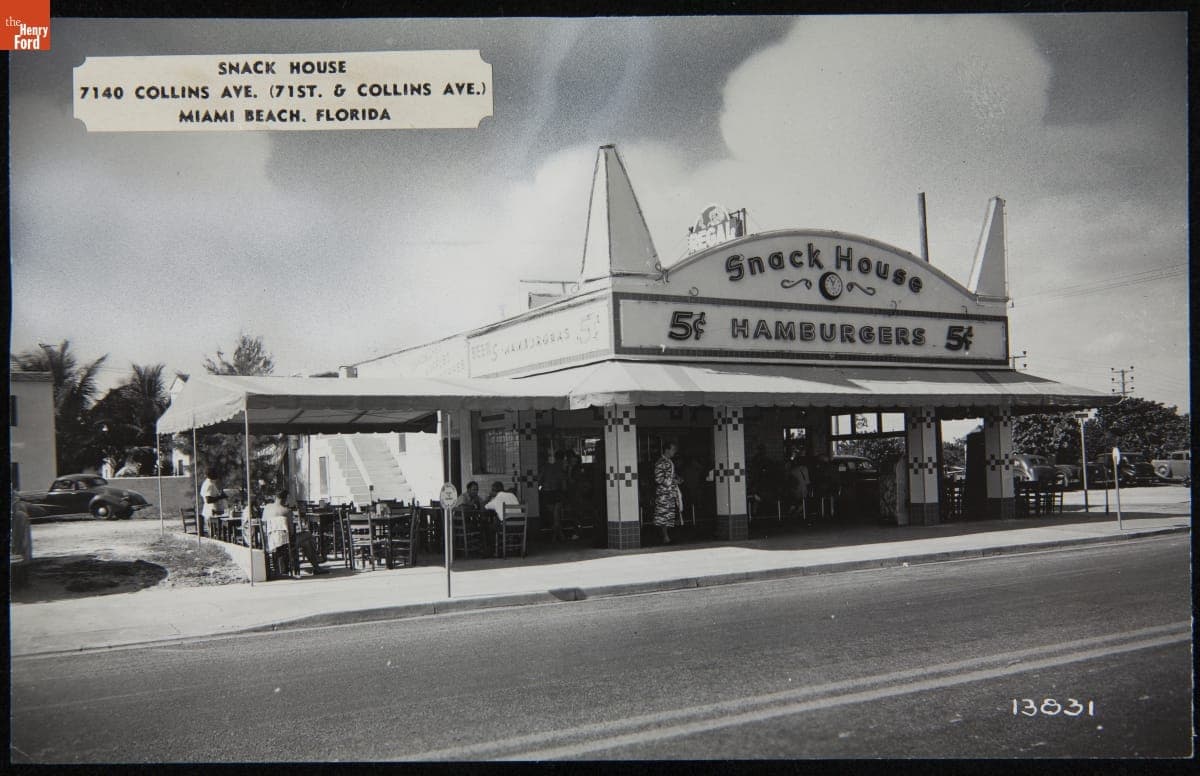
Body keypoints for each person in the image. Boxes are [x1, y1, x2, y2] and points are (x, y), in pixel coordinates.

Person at [261, 489, 327, 575]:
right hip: (283, 543)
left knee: (307, 542)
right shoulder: (287, 511)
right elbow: (291, 532)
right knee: (308, 535)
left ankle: (317, 566)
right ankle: (317, 561)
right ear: (286, 498)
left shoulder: (267, 508)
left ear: (275, 497)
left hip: (269, 542)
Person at [653, 441, 683, 544]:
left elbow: (671, 475)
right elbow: (658, 479)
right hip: (664, 493)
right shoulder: (661, 462)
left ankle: (667, 536)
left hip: (670, 492)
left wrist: (678, 479)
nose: (675, 451)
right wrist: (672, 481)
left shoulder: (669, 461)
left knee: (669, 514)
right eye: (673, 449)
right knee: (663, 515)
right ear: (667, 450)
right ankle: (665, 537)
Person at [482, 481, 522, 557]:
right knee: (498, 521)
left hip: (507, 527)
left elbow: (485, 507)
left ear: (493, 491)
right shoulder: (512, 495)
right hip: (520, 526)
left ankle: (492, 551)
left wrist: (489, 497)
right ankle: (517, 549)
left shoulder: (496, 498)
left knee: (488, 528)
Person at [540, 451, 567, 542]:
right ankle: (559, 536)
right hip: (557, 493)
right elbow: (564, 484)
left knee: (554, 516)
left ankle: (556, 537)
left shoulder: (545, 468)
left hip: (548, 492)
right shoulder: (560, 468)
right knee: (556, 516)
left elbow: (539, 480)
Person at [199, 469, 227, 537]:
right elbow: (208, 500)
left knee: (214, 532)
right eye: (215, 474)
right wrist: (220, 497)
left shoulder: (210, 484)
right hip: (212, 512)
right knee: (213, 532)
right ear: (211, 475)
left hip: (213, 511)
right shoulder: (209, 485)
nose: (217, 475)